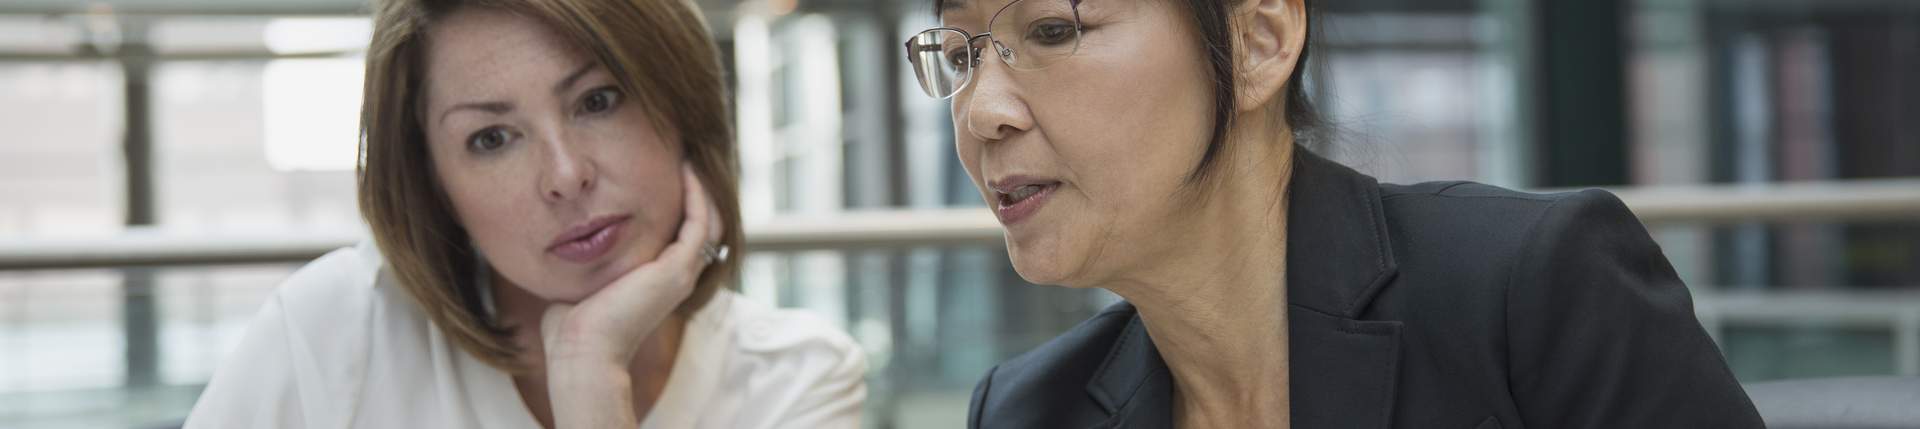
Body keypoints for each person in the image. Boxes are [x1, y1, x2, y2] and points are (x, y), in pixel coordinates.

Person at [904, 0, 1764, 427]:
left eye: (1052, 31)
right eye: (955, 53)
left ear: (1257, 42)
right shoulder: (1028, 409)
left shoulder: (1530, 290)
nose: (983, 113)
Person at [186, 0, 866, 427]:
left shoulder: (797, 379)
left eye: (597, 101)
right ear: (435, 186)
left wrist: (592, 376)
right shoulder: (335, 331)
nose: (566, 175)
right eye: (491, 139)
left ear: (680, 103)